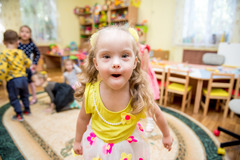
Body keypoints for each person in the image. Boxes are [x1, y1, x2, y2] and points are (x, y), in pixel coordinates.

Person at [73, 26, 173, 159]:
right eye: (106, 56)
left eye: (124, 56)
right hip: (99, 146)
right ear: (96, 63)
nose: (116, 63)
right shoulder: (91, 92)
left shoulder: (138, 91)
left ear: (134, 62)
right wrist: (77, 140)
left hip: (129, 145)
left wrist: (166, 135)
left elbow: (157, 114)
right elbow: (82, 119)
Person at [0, 30, 32, 121]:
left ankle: (19, 115)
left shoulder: (3, 54)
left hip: (13, 80)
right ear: (18, 42)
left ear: (4, 42)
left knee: (14, 98)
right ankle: (27, 110)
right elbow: (29, 63)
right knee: (25, 95)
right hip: (23, 79)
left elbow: (3, 70)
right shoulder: (21, 52)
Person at [137, 28, 160, 133]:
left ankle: (150, 121)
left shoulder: (143, 49)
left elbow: (145, 68)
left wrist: (141, 79)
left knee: (149, 100)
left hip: (145, 77)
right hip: (136, 76)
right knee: (136, 99)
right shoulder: (130, 49)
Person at [18, 25, 41, 105]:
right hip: (19, 68)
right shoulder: (17, 44)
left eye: (27, 32)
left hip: (28, 67)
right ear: (19, 33)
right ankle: (23, 99)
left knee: (31, 82)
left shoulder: (31, 45)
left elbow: (38, 54)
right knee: (21, 84)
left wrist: (35, 63)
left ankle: (34, 97)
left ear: (30, 35)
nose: (24, 33)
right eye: (22, 31)